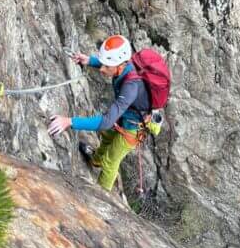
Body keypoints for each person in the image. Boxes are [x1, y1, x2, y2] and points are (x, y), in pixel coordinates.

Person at [48, 34, 161, 192]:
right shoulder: (125, 65)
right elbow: (108, 63)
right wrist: (89, 60)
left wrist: (69, 122)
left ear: (120, 66)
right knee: (107, 136)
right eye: (103, 64)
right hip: (126, 117)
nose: (102, 69)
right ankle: (95, 160)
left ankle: (102, 196)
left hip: (133, 129)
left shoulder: (131, 87)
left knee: (111, 162)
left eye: (106, 66)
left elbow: (106, 121)